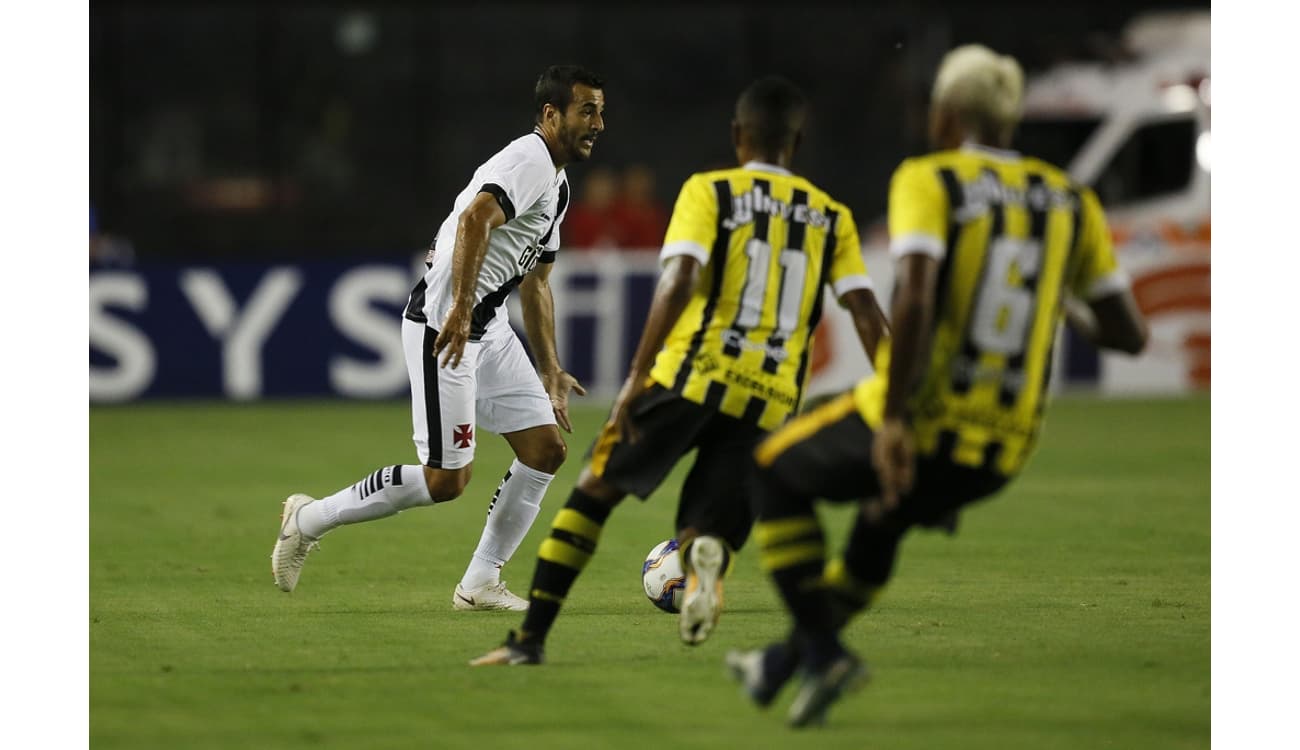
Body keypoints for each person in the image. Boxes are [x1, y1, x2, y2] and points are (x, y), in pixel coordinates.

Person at [725, 44, 1149, 728]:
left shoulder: (932, 178)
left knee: (771, 471)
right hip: (1003, 450)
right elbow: (1129, 335)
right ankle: (781, 665)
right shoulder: (1071, 200)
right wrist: (1059, 303)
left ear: (948, 116)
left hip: (921, 418)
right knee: (878, 527)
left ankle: (826, 653)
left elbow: (916, 297)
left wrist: (893, 421)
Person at [470, 75, 890, 665]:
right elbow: (867, 314)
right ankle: (702, 559)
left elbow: (681, 279)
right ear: (797, 142)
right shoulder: (831, 217)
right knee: (710, 514)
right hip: (771, 397)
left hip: (694, 375)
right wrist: (897, 407)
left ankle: (529, 640)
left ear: (738, 135)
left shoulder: (711, 191)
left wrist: (639, 377)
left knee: (593, 495)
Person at [271, 65, 607, 611]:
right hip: (444, 327)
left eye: (600, 111)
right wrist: (457, 307)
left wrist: (549, 367)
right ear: (551, 115)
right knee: (446, 480)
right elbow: (477, 218)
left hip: (487, 326)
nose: (597, 123)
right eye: (585, 110)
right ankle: (308, 519)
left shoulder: (558, 183)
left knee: (545, 450)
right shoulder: (529, 160)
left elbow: (537, 282)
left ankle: (479, 584)